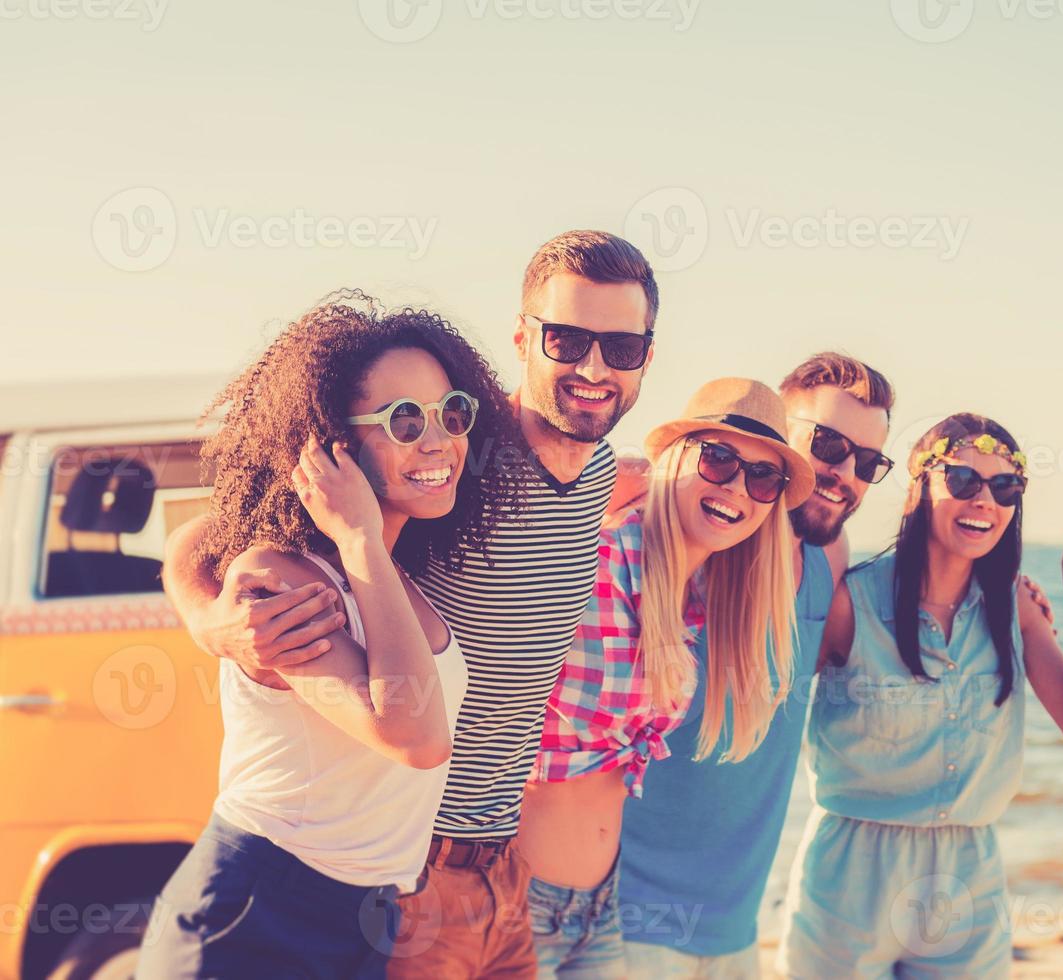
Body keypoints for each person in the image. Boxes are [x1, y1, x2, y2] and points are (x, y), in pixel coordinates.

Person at [161, 231, 658, 977]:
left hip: (503, 861)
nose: (593, 368)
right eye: (567, 339)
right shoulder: (461, 453)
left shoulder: (596, 479)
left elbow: (711, 494)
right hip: (407, 863)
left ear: (647, 355)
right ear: (523, 338)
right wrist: (210, 620)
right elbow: (211, 530)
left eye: (620, 348)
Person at [141, 296, 521, 978]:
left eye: (450, 413)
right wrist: (357, 535)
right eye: (404, 420)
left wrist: (364, 546)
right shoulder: (282, 580)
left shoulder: (395, 578)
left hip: (363, 918)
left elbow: (191, 540)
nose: (437, 440)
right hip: (254, 914)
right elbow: (415, 738)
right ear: (328, 443)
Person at [779, 413, 1063, 978]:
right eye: (964, 481)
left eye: (1004, 488)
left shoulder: (1015, 608)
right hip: (850, 878)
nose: (984, 502)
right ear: (921, 485)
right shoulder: (854, 600)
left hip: (968, 880)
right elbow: (770, 698)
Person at [521, 378, 814, 977]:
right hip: (518, 900)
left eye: (763, 478)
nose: (737, 487)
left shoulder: (697, 601)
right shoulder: (594, 556)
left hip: (601, 909)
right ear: (679, 457)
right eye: (719, 458)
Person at [616, 353, 893, 977]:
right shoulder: (702, 535)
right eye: (826, 443)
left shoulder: (832, 559)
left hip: (738, 931)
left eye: (868, 462)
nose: (843, 472)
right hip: (627, 917)